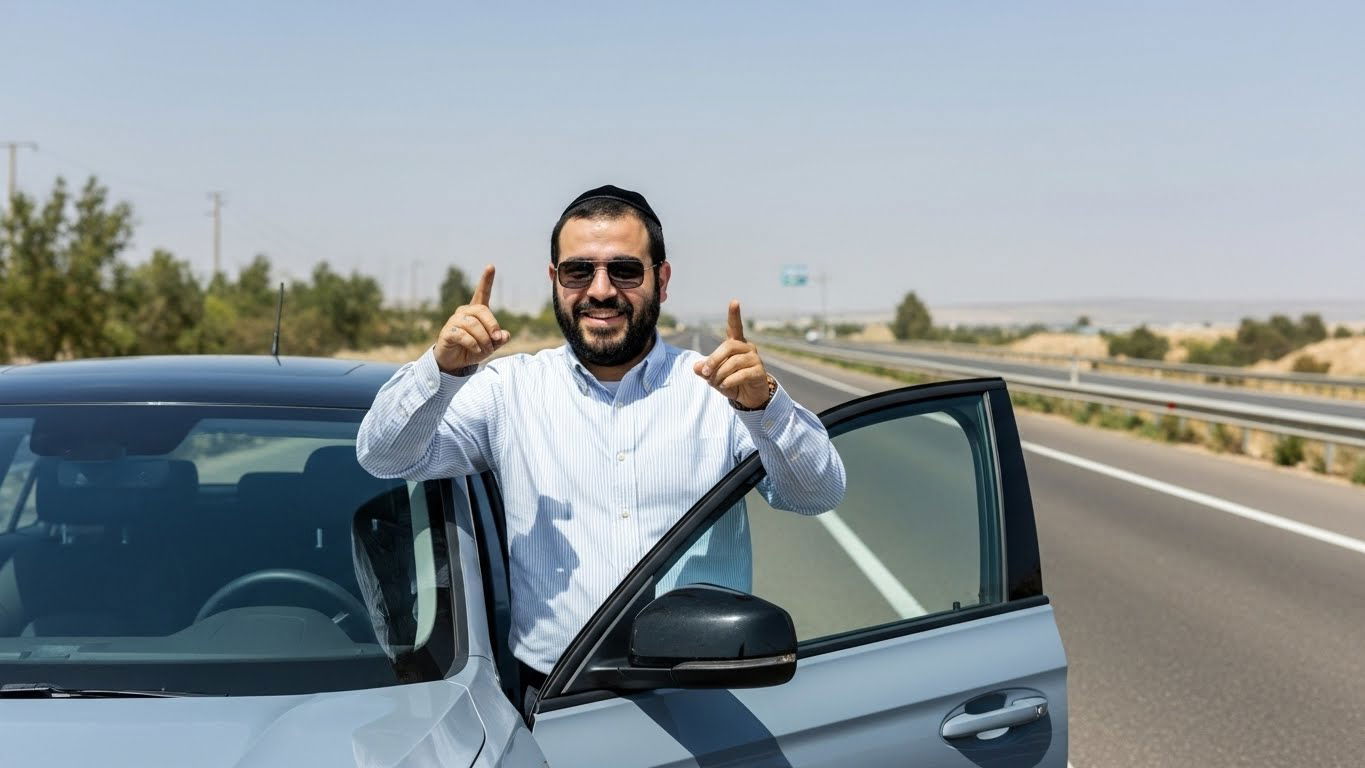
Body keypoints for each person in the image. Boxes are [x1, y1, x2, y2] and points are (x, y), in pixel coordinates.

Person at [356, 184, 845, 702]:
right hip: (557, 698)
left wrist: (764, 406)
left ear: (662, 279)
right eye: (579, 271)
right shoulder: (509, 390)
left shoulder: (721, 389)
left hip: (705, 692)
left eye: (625, 270)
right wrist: (441, 367)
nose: (602, 290)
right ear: (555, 280)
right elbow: (384, 455)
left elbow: (816, 493)